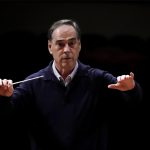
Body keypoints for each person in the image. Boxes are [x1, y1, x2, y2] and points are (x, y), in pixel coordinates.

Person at [0, 19, 142, 150]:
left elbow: (133, 103)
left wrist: (131, 89)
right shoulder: (33, 83)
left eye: (72, 43)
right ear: (50, 47)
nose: (67, 50)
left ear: (79, 45)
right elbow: (7, 115)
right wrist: (3, 97)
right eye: (60, 44)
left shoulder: (97, 78)